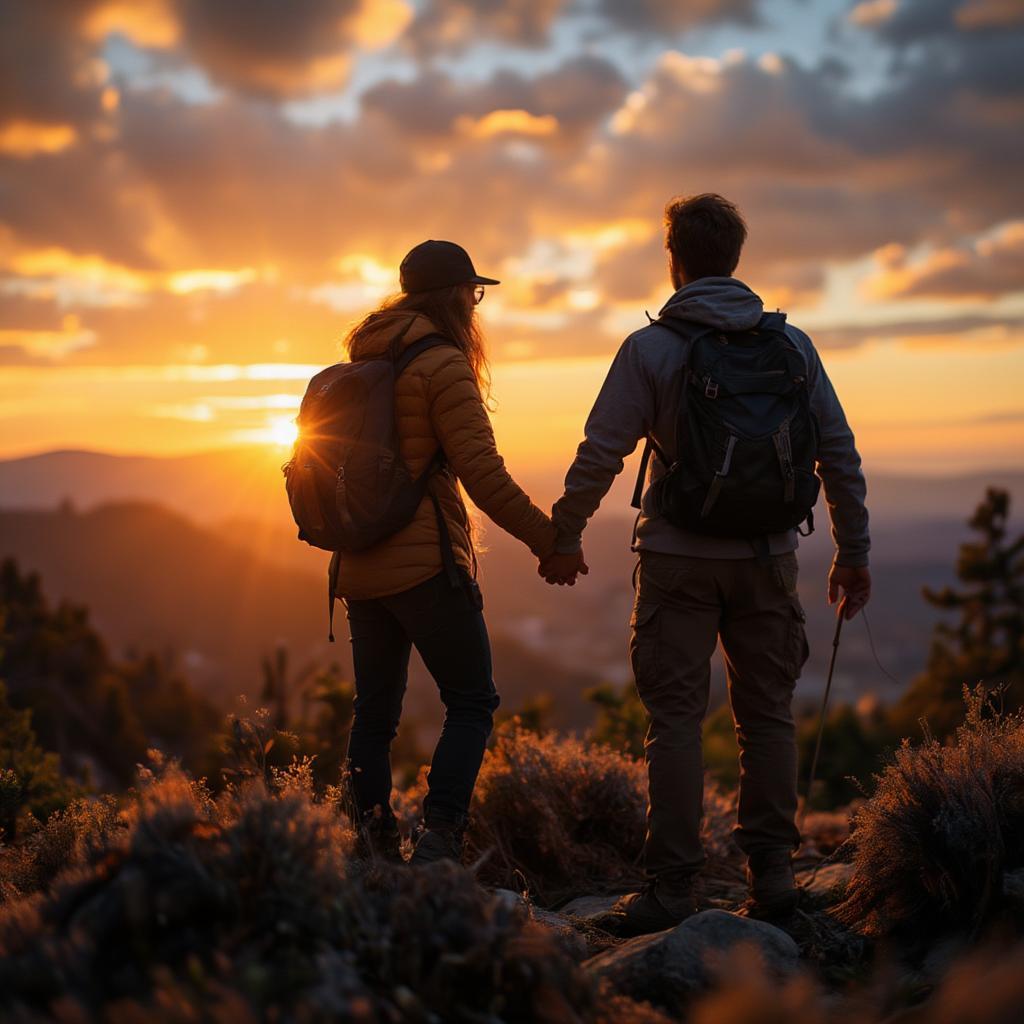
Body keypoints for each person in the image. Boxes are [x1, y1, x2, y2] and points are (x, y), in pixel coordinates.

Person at [542, 194, 871, 934]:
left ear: (675, 260)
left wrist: (564, 537)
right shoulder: (792, 347)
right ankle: (776, 876)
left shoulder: (650, 349)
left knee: (676, 725)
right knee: (768, 718)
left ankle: (672, 889)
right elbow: (839, 455)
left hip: (676, 562)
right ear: (735, 260)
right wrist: (853, 553)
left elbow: (601, 452)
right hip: (769, 560)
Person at [337, 240, 559, 866]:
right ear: (456, 296)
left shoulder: (365, 358)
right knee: (471, 700)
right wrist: (550, 542)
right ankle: (439, 839)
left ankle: (369, 842)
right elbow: (483, 476)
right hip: (426, 566)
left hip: (358, 563)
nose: (475, 302)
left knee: (373, 713)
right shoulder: (442, 364)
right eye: (474, 291)